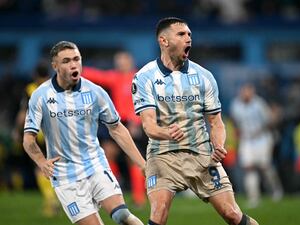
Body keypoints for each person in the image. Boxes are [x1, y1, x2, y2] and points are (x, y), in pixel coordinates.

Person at [132, 17, 259, 225]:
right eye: (181, 34)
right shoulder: (144, 77)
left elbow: (216, 122)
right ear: (164, 41)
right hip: (163, 155)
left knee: (232, 214)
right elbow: (148, 125)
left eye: (189, 34)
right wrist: (167, 133)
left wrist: (218, 145)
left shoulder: (204, 76)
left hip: (201, 154)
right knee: (159, 213)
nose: (188, 38)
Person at [23, 41, 145, 225]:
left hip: (95, 166)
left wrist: (142, 163)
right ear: (54, 66)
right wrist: (41, 161)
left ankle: (138, 197)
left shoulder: (95, 92)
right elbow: (28, 138)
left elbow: (117, 128)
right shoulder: (40, 96)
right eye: (66, 61)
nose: (73, 64)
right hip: (65, 176)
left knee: (123, 216)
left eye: (76, 59)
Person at [83, 50, 147, 207]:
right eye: (117, 61)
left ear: (130, 61)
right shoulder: (115, 77)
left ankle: (139, 197)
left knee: (133, 159)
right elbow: (96, 75)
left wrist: (135, 121)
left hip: (133, 123)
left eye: (122, 60)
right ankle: (115, 188)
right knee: (107, 154)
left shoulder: (138, 77)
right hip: (115, 122)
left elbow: (143, 101)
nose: (120, 63)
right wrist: (75, 69)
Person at [12, 60, 60, 217]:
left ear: (34, 75)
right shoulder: (56, 87)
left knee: (41, 167)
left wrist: (17, 131)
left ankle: (51, 200)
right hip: (58, 132)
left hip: (38, 134)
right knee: (58, 167)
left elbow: (22, 113)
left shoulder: (31, 89)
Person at [230, 83, 283, 208]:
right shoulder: (236, 105)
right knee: (249, 167)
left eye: (248, 91)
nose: (246, 94)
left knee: (265, 167)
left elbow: (269, 121)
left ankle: (275, 190)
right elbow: (234, 120)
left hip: (261, 139)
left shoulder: (259, 104)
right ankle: (253, 196)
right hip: (246, 140)